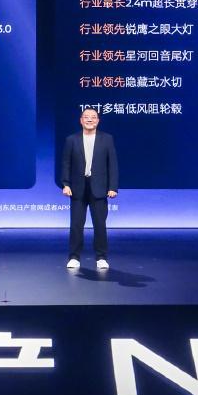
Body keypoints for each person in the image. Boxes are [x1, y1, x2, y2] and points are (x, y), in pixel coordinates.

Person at [58, 106, 118, 271]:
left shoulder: (107, 139)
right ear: (81, 120)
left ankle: (101, 257)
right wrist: (65, 184)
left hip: (99, 188)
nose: (89, 119)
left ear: (98, 120)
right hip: (77, 188)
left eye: (93, 117)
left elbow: (112, 164)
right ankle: (74, 257)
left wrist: (113, 187)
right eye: (86, 117)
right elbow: (66, 163)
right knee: (76, 225)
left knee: (100, 225)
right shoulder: (72, 139)